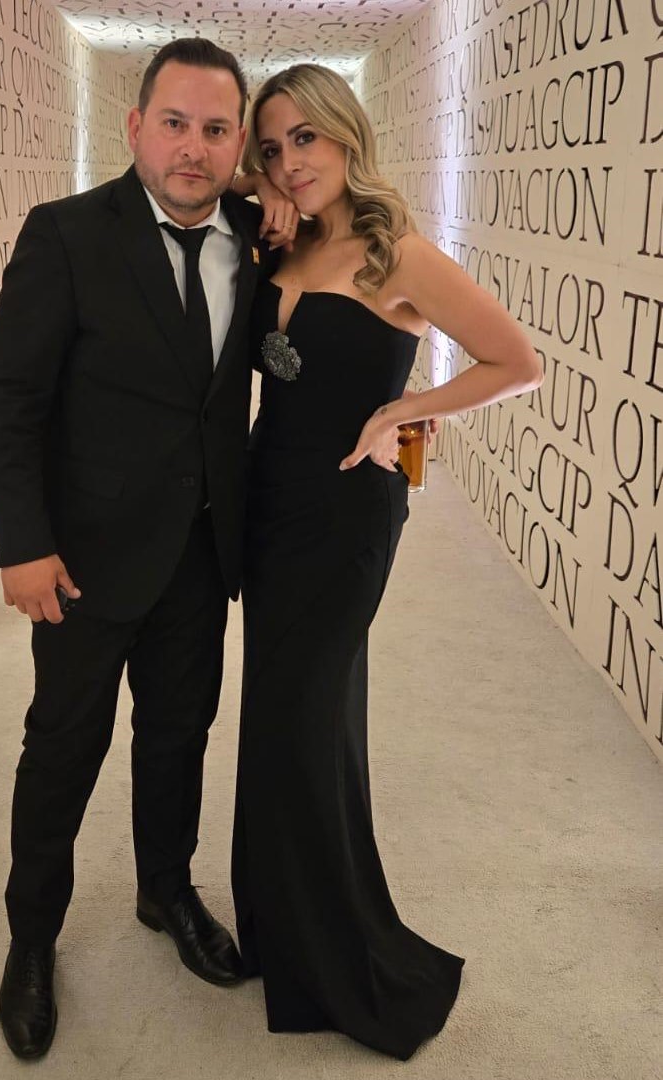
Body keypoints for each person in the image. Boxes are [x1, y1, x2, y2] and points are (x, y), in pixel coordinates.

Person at [0, 38, 293, 1060]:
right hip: (84, 557)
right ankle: (33, 938)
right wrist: (22, 545)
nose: (193, 148)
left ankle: (167, 893)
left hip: (202, 553)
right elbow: (10, 400)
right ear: (135, 126)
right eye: (174, 123)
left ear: (237, 145)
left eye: (215, 129)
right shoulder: (66, 234)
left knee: (178, 735)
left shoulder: (259, 237)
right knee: (63, 747)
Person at [231, 63, 544, 1060]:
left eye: (305, 138)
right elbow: (204, 185)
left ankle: (342, 958)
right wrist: (260, 194)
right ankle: (281, 929)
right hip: (269, 505)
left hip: (346, 513)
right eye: (273, 146)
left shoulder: (394, 251)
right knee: (281, 717)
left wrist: (409, 410)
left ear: (345, 133)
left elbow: (517, 362)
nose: (290, 160)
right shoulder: (280, 240)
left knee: (304, 717)